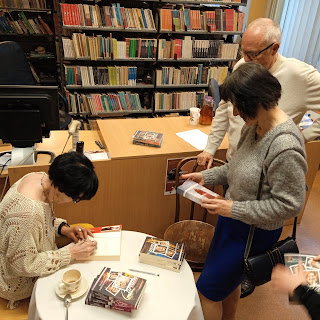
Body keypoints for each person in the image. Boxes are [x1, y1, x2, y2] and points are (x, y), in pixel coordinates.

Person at [181, 62, 307, 320]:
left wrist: (232, 208)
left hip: (254, 234)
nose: (235, 113)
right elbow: (236, 168)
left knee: (207, 292)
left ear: (257, 101)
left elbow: (290, 205)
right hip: (233, 223)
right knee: (229, 284)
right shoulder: (255, 126)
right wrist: (206, 176)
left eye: (238, 106)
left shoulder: (285, 146)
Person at [197, 18, 320, 169]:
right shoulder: (243, 65)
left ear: (274, 48)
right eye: (244, 52)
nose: (246, 60)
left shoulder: (302, 76)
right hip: (234, 163)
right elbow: (225, 108)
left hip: (265, 172)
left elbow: (315, 114)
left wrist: (303, 135)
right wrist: (210, 148)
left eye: (253, 54)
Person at [0, 152, 99, 309]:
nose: (73, 203)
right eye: (75, 199)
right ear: (60, 188)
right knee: (82, 295)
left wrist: (64, 229)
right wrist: (70, 253)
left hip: (30, 252)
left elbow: (42, 225)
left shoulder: (39, 177)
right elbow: (21, 265)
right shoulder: (28, 213)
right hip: (18, 282)